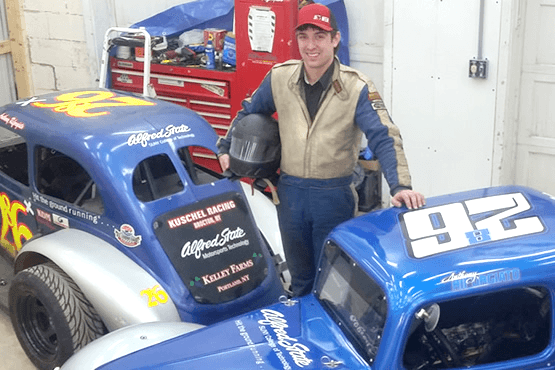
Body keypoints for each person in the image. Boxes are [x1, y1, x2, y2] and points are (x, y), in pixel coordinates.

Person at [218, 2, 425, 296]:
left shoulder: (357, 88)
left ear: (335, 39)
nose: (311, 45)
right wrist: (225, 146)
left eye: (320, 36)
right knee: (300, 280)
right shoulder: (280, 77)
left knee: (332, 282)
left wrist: (400, 185)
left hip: (333, 196)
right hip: (289, 194)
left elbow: (384, 135)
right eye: (304, 36)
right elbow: (248, 112)